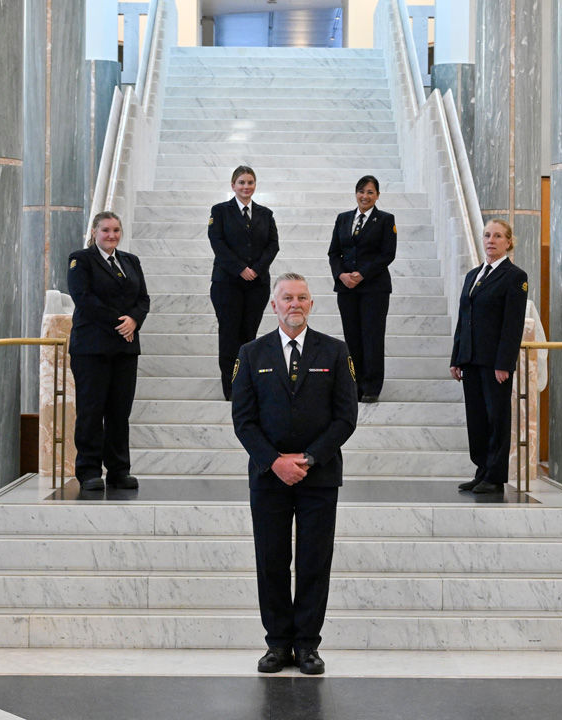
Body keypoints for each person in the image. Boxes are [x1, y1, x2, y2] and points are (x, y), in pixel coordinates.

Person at [231, 273, 358, 675]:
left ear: (312, 304)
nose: (294, 304)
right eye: (287, 298)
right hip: (269, 477)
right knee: (271, 560)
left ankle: (307, 646)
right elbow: (244, 420)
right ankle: (277, 644)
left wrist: (307, 459)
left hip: (318, 477)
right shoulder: (251, 354)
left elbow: (345, 418)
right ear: (274, 305)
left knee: (313, 562)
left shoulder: (336, 352)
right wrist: (275, 462)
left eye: (302, 297)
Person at [67, 211, 151, 493]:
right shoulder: (81, 259)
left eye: (116, 230)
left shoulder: (131, 261)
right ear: (94, 232)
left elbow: (143, 299)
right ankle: (89, 470)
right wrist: (121, 322)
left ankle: (119, 470)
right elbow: (84, 298)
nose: (112, 235)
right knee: (91, 410)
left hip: (125, 348)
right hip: (92, 348)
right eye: (105, 230)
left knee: (119, 412)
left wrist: (135, 320)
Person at [450, 220, 528, 494]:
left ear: (508, 242)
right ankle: (481, 470)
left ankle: (495, 476)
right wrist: (456, 357)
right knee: (477, 419)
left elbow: (513, 324)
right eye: (487, 235)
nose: (491, 240)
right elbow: (464, 319)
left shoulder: (515, 276)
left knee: (496, 419)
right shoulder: (473, 275)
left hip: (494, 363)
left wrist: (504, 363)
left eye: (497, 236)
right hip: (471, 359)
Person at [209, 165, 280, 400]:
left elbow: (273, 245)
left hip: (256, 285)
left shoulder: (265, 214)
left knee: (249, 335)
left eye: (250, 182)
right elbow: (217, 243)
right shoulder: (220, 211)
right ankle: (231, 388)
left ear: (255, 185)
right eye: (241, 182)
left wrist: (256, 270)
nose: (246, 186)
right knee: (229, 335)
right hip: (227, 283)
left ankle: (247, 383)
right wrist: (240, 269)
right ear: (233, 186)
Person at [328, 175, 397, 403]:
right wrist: (342, 275)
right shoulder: (343, 219)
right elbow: (334, 253)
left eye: (370, 192)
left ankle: (371, 387)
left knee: (372, 337)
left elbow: (387, 254)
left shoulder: (386, 220)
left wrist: (362, 274)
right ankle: (354, 386)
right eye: (361, 191)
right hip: (347, 289)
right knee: (352, 338)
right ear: (355, 193)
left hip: (374, 289)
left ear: (377, 195)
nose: (365, 196)